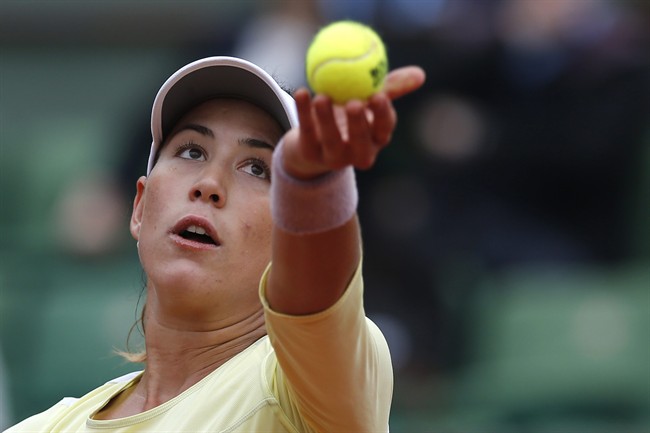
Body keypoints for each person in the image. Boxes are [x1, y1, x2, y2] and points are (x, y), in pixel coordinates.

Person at [6, 55, 425, 432]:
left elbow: (318, 301)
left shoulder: (302, 392)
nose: (209, 184)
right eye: (191, 152)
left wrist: (317, 192)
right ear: (139, 207)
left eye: (258, 168)